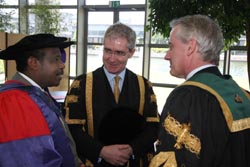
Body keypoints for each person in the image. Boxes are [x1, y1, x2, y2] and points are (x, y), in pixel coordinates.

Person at [149, 14, 250, 167]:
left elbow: (170, 160)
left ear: (191, 47)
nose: (166, 55)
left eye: (171, 46)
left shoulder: (188, 96)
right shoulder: (243, 95)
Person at [63, 22, 159, 167]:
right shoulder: (81, 84)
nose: (112, 58)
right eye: (108, 51)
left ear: (131, 52)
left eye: (119, 53)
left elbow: (153, 126)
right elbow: (72, 129)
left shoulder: (143, 85)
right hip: (94, 162)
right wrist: (101, 151)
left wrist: (131, 149)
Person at [0, 34, 85, 167]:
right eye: (56, 59)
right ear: (33, 63)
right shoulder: (16, 102)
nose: (62, 65)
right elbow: (33, 159)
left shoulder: (37, 94)